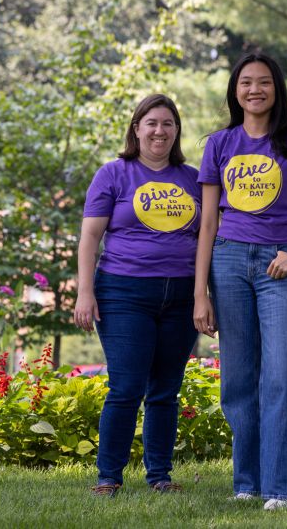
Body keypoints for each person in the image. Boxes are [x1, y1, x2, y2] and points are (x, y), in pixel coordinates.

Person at [194, 53, 287, 510]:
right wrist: (199, 292)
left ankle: (283, 488)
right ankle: (247, 483)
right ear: (234, 90)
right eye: (245, 82)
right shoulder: (219, 144)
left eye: (263, 82)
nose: (254, 89)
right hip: (226, 262)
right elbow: (206, 224)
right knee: (239, 377)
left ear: (276, 89)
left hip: (278, 266)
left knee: (281, 374)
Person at [73, 94, 201, 497]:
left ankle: (160, 477)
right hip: (124, 292)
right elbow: (90, 236)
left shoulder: (195, 179)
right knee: (126, 386)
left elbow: (209, 238)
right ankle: (108, 477)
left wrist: (205, 295)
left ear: (176, 130)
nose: (159, 131)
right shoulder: (113, 174)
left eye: (167, 123)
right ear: (136, 128)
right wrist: (84, 292)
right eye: (151, 123)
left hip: (181, 294)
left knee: (166, 388)